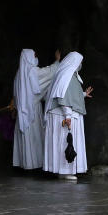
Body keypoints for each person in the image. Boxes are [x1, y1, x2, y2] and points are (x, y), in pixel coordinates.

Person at [42, 51, 91, 181]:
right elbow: (62, 96)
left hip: (64, 114)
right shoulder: (67, 75)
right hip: (63, 115)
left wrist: (84, 94)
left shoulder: (69, 75)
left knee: (64, 141)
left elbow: (70, 93)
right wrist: (68, 115)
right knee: (65, 141)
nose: (80, 64)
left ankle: (62, 171)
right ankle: (65, 171)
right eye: (80, 62)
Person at [11, 49, 61, 170]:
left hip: (22, 113)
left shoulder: (19, 73)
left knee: (26, 138)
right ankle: (33, 165)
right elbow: (49, 73)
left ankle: (24, 164)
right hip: (31, 112)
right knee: (34, 138)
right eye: (34, 55)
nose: (36, 57)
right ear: (28, 57)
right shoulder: (31, 71)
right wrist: (57, 61)